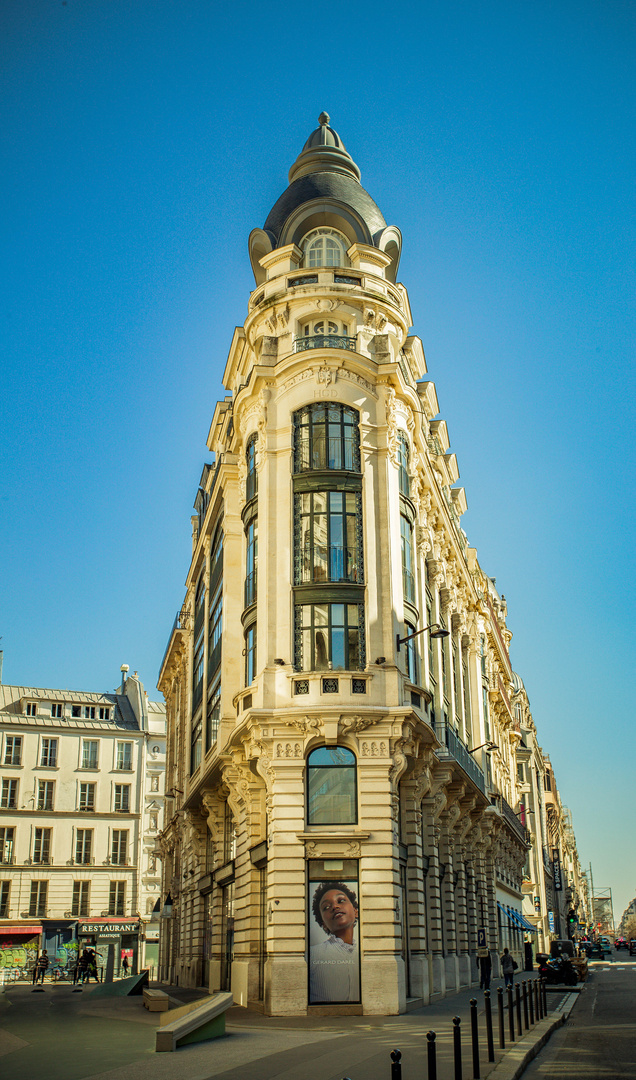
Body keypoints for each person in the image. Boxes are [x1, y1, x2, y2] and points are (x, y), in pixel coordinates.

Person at [309, 881, 360, 1004]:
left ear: (355, 911)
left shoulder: (365, 953)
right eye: (326, 907)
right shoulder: (313, 955)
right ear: (323, 925)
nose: (335, 907)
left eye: (341, 900)